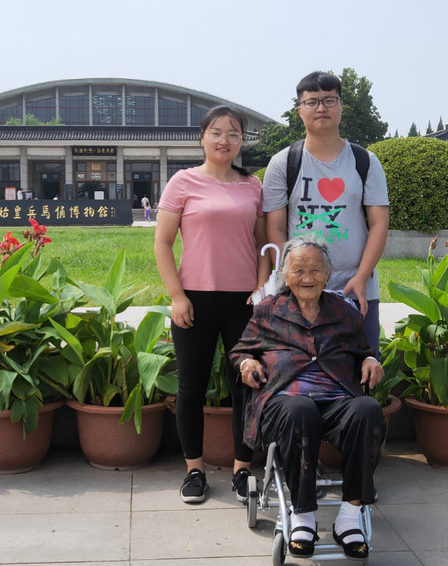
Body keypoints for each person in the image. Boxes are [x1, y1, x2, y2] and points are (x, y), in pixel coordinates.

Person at [229, 235, 384, 560]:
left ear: (327, 273)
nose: (307, 277)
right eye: (299, 270)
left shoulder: (343, 310)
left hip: (337, 402)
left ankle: (349, 516)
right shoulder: (268, 310)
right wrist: (247, 363)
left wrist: (371, 361)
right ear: (285, 273)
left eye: (315, 270)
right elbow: (240, 351)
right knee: (301, 410)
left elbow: (363, 351)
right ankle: (303, 516)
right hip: (284, 404)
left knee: (367, 409)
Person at [154, 105, 270, 505]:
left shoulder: (253, 185)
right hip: (195, 301)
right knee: (191, 388)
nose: (224, 141)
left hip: (243, 303)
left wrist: (260, 289)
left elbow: (261, 244)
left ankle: (242, 470)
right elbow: (162, 243)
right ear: (202, 137)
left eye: (233, 134)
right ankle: (194, 470)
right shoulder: (183, 182)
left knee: (245, 386)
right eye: (217, 132)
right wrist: (176, 296)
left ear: (241, 141)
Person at [263, 71, 390, 356]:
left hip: (355, 290)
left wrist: (362, 275)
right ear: (300, 110)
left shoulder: (365, 161)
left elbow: (379, 224)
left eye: (329, 100)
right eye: (312, 102)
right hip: (300, 289)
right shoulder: (283, 163)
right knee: (301, 373)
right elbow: (275, 228)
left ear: (341, 106)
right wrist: (289, 276)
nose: (321, 108)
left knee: (360, 369)